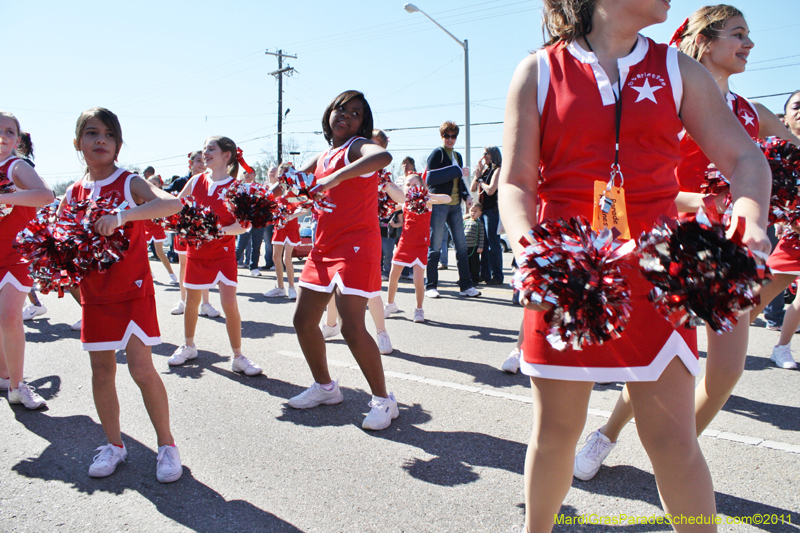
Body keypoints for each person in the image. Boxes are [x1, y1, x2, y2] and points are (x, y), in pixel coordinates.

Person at [498, 0, 771, 530]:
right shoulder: (538, 70)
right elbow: (515, 182)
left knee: (672, 438)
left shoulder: (676, 68)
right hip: (568, 272)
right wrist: (527, 246)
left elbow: (744, 158)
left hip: (657, 277)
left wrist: (750, 216)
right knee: (556, 431)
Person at [573, 4, 800, 483]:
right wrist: (698, 200)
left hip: (729, 256)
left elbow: (782, 161)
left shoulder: (751, 115)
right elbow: (622, 184)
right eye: (738, 34)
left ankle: (675, 465)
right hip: (667, 251)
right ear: (705, 40)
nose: (750, 45)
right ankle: (610, 436)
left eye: (749, 35)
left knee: (725, 376)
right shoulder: (664, 100)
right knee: (658, 367)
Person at [62, 107, 182, 481]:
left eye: (109, 134)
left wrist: (124, 215)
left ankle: (167, 446)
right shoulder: (73, 191)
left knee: (142, 368)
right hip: (95, 294)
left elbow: (172, 203)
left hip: (132, 291)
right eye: (92, 133)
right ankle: (114, 445)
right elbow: (63, 244)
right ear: (78, 142)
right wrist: (68, 284)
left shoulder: (128, 182)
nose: (101, 140)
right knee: (101, 372)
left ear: (117, 143)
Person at [290, 90, 398, 430]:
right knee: (303, 321)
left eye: (355, 113)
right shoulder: (324, 154)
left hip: (356, 246)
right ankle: (325, 388)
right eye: (342, 109)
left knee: (352, 325)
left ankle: (384, 400)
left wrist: (336, 177)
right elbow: (297, 184)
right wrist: (279, 183)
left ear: (362, 124)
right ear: (330, 113)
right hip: (323, 247)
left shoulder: (356, 148)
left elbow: (383, 156)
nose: (346, 116)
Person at [167, 136, 263, 377]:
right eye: (204, 149)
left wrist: (216, 230)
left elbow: (243, 225)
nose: (206, 152)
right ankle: (188, 346)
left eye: (211, 149)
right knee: (191, 302)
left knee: (229, 304)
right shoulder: (196, 180)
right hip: (197, 253)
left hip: (223, 254)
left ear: (226, 155)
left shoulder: (236, 187)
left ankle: (238, 356)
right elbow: (178, 207)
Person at [0, 112, 54, 408]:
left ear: (17, 139)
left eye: (9, 131)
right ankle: (5, 376)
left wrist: (2, 197)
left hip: (15, 255)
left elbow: (45, 195)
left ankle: (18, 387)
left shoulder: (15, 165)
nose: (3, 136)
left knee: (10, 316)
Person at [424, 121, 481, 298]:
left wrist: (467, 196)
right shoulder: (437, 154)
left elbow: (459, 181)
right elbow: (430, 178)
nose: (450, 139)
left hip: (456, 207)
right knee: (435, 247)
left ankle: (466, 286)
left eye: (453, 136)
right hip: (440, 204)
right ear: (442, 137)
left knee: (462, 247)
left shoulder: (457, 155)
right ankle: (430, 286)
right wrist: (455, 170)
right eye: (447, 136)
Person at [384, 173, 451, 324]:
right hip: (404, 244)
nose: (411, 188)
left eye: (415, 185)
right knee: (393, 275)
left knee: (418, 280)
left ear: (421, 186)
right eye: (408, 185)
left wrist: (425, 194)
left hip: (421, 245)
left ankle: (419, 309)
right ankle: (390, 305)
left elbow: (448, 199)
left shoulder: (427, 201)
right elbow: (390, 204)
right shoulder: (405, 202)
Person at [168, 151, 221, 318]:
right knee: (184, 265)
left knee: (203, 266)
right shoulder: (182, 181)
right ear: (190, 163)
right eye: (198, 161)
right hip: (184, 231)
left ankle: (205, 304)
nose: (202, 164)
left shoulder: (211, 182)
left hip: (202, 233)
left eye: (204, 161)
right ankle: (182, 301)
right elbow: (169, 197)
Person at [15, 131, 49, 321]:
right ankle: (35, 304)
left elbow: (45, 195)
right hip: (21, 227)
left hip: (26, 227)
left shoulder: (23, 166)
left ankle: (89, 312)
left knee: (56, 271)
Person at [264, 163, 301, 300]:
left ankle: (292, 287)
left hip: (291, 227)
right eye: (280, 172)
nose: (281, 175)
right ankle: (280, 287)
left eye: (284, 172)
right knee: (275, 257)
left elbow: (303, 208)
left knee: (287, 258)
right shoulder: (276, 190)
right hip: (279, 227)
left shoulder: (295, 190)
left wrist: (290, 216)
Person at [471, 146, 504, 285]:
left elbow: (490, 190)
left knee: (493, 243)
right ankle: (484, 274)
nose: (484, 156)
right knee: (483, 244)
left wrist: (480, 181)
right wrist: (477, 174)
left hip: (493, 211)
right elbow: (473, 188)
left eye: (486, 154)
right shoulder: (485, 171)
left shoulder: (498, 170)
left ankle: (497, 275)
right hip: (483, 211)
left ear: (492, 155)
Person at [143, 175, 178, 285]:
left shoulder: (162, 197)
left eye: (154, 184)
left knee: (159, 252)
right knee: (144, 252)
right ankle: (150, 273)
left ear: (159, 185)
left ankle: (171, 274)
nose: (152, 186)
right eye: (150, 184)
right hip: (145, 226)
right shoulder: (143, 197)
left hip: (156, 227)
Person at [233, 167, 266, 276]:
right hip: (244, 220)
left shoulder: (260, 187)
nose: (247, 174)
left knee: (256, 245)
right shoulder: (238, 187)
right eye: (245, 172)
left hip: (257, 219)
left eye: (250, 172)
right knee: (241, 244)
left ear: (255, 175)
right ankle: (232, 265)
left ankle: (254, 268)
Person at [463, 203, 485, 286]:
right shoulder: (466, 222)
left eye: (475, 211)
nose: (472, 213)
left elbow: (482, 236)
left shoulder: (479, 224)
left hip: (474, 248)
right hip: (465, 247)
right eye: (471, 211)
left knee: (475, 264)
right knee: (466, 264)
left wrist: (480, 247)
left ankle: (475, 279)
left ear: (480, 214)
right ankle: (466, 279)